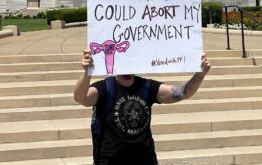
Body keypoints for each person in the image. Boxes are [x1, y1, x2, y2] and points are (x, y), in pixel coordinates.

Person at [74, 50, 212, 165]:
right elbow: (81, 98)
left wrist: (200, 75)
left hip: (145, 159)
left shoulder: (147, 86)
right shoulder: (105, 87)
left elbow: (183, 92)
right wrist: (87, 73)